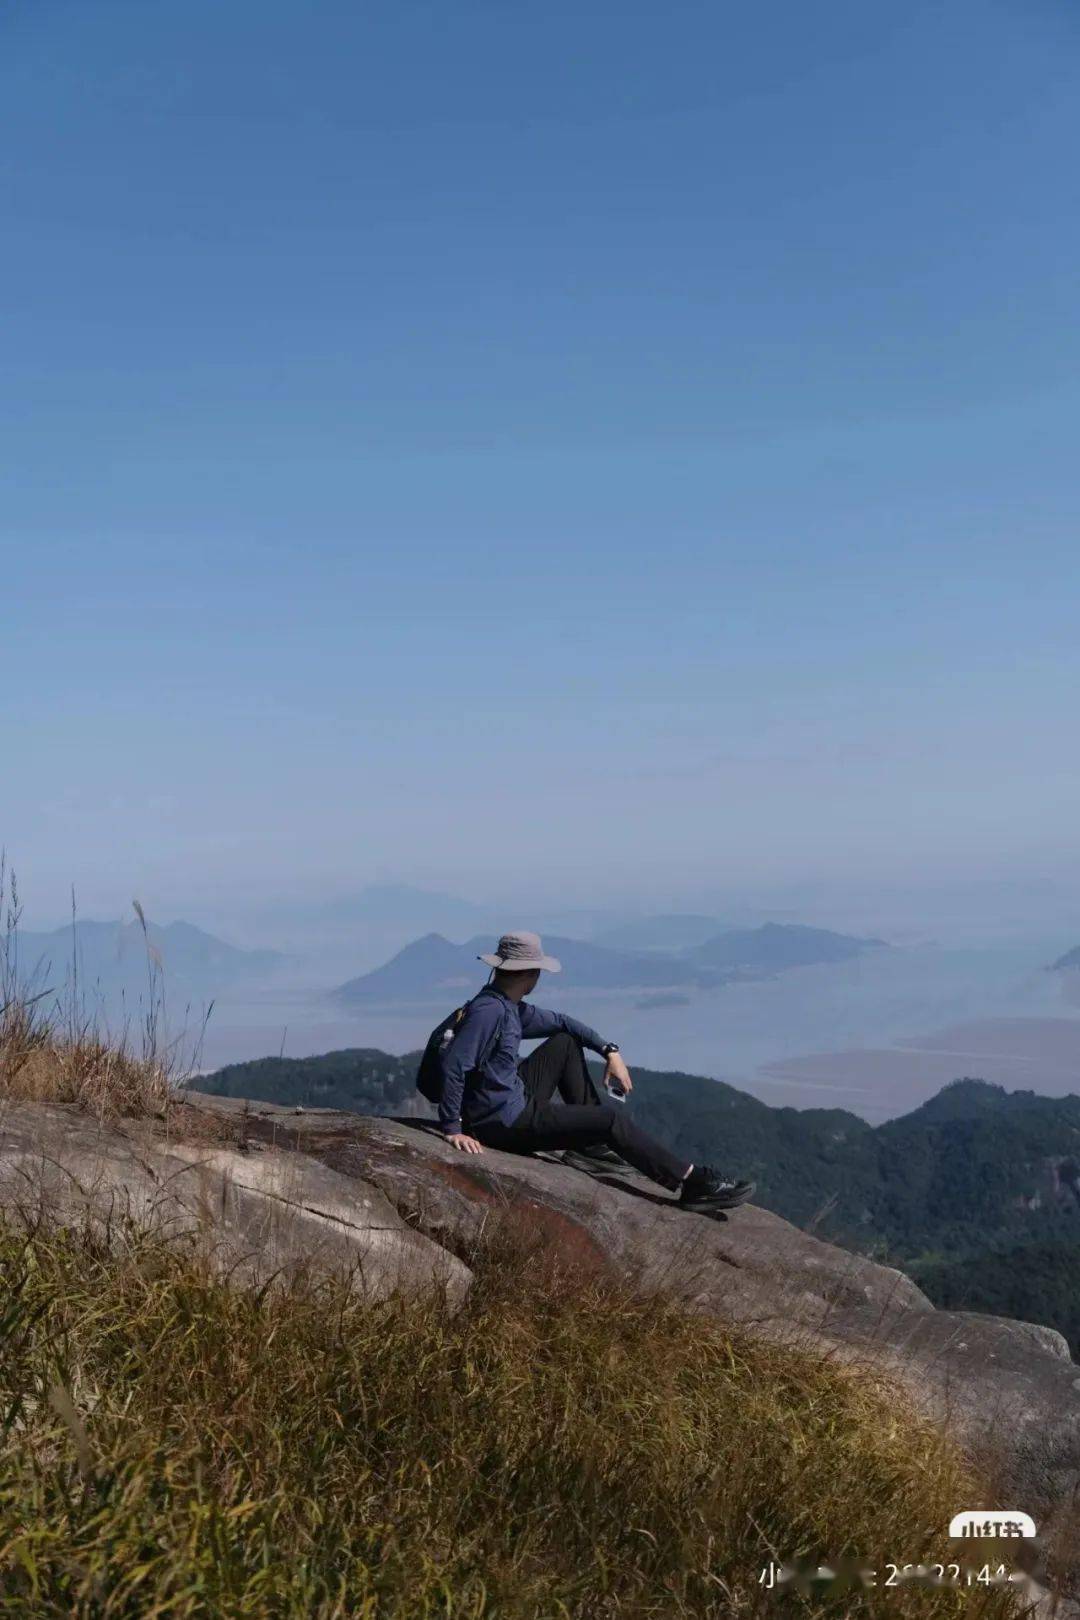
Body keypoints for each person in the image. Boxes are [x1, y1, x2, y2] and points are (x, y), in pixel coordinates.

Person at [437, 930, 754, 1213]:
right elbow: (455, 1065)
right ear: (531, 973)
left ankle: (589, 1147)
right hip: (502, 1123)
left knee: (563, 1043)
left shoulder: (508, 1006)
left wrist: (609, 1050)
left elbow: (563, 1023)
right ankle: (690, 1182)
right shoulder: (489, 1012)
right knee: (610, 1119)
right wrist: (453, 1129)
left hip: (508, 1100)